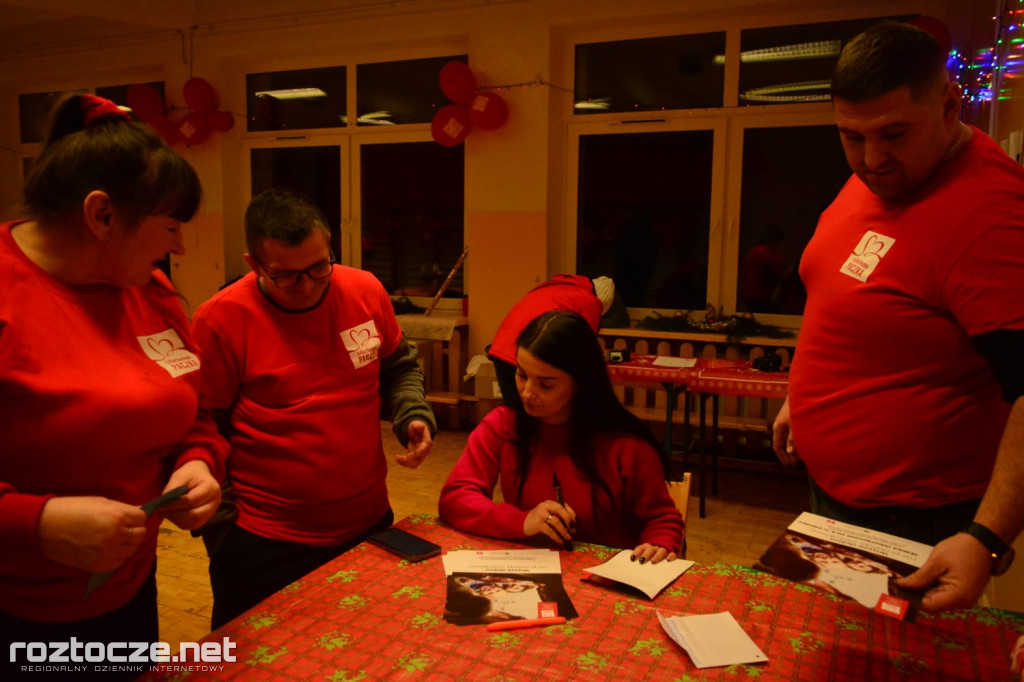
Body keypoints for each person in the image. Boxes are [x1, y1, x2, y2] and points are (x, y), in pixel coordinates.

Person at [771, 21, 1024, 613]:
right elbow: (847, 298)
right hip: (836, 493)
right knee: (832, 649)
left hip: (917, 516)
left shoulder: (993, 216)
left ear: (950, 105)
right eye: (851, 136)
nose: (872, 158)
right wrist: (802, 396)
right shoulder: (881, 176)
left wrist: (986, 541)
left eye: (893, 133)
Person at [0, 94, 225, 677]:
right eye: (170, 225)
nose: (177, 247)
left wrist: (198, 460)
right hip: (17, 613)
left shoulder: (148, 290)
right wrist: (36, 524)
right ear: (102, 215)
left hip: (125, 590)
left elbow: (191, 407)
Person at [190, 188, 436, 629]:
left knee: (367, 650)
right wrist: (223, 531)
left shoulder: (364, 290)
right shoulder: (221, 320)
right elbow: (199, 425)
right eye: (286, 275)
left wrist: (411, 414)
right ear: (254, 264)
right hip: (265, 540)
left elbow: (399, 367)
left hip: (367, 522)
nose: (307, 286)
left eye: (320, 267)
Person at [440, 310, 684, 563]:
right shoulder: (503, 425)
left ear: (580, 383)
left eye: (545, 384)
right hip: (535, 575)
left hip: (609, 580)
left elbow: (662, 520)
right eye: (522, 375)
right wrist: (522, 521)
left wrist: (658, 545)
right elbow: (455, 498)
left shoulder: (625, 445)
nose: (527, 393)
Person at [488, 274, 615, 410]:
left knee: (512, 414)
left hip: (501, 348)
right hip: (528, 356)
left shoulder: (549, 287)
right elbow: (586, 346)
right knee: (531, 416)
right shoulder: (589, 301)